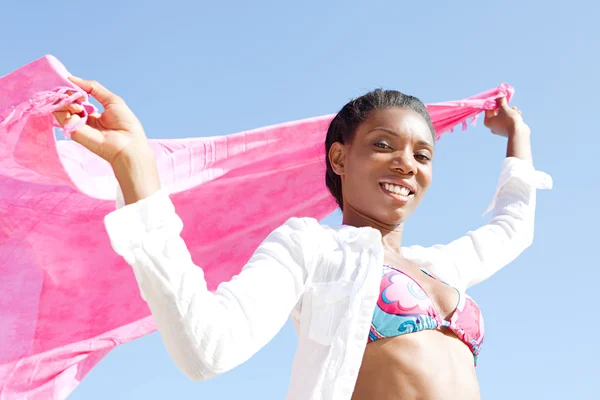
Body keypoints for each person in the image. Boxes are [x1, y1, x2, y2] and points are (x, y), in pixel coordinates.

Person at [53, 76, 548, 400]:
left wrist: (516, 135)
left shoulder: (442, 265)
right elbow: (207, 347)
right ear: (338, 159)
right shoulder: (312, 248)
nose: (406, 164)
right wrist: (136, 173)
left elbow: (512, 228)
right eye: (383, 145)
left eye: (423, 155)